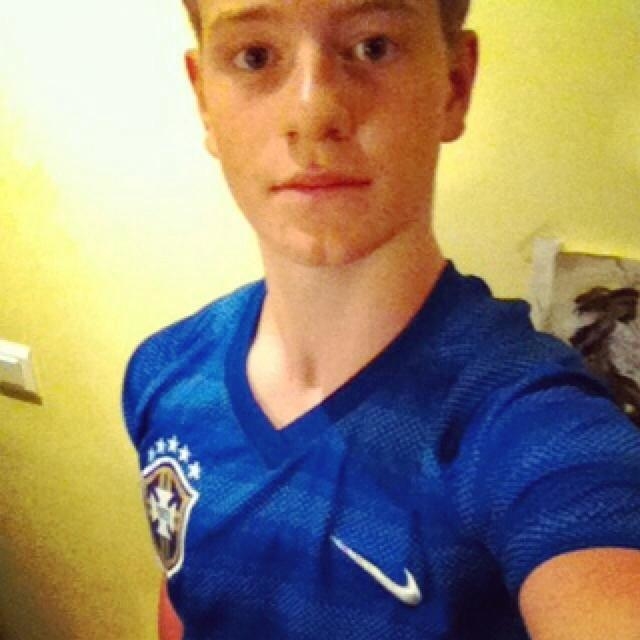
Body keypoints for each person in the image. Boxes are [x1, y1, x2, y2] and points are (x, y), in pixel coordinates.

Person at [122, 0, 640, 638]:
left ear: (455, 85)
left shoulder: (528, 429)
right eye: (255, 57)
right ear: (204, 99)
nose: (312, 112)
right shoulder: (163, 374)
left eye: (373, 47)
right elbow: (186, 595)